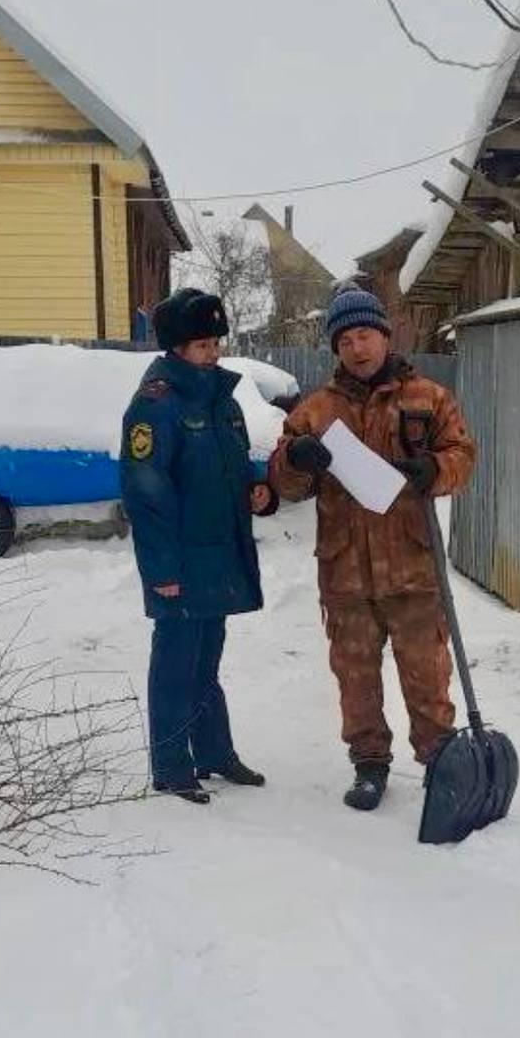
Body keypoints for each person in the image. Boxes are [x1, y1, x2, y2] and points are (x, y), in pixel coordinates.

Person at [268, 282, 475, 811]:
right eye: (345, 341)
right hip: (345, 573)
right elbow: (281, 483)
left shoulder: (428, 399)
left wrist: (433, 468)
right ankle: (369, 766)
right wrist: (297, 460)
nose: (357, 349)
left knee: (427, 673)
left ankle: (439, 760)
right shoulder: (315, 411)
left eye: (365, 336)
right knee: (355, 677)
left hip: (411, 565)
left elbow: (463, 458)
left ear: (384, 336)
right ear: (335, 349)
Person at [121, 287, 277, 805]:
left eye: (215, 342)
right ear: (175, 349)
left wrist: (257, 487)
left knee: (206, 662)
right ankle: (171, 765)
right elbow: (146, 492)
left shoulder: (222, 402)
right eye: (201, 344)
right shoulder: (154, 407)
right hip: (181, 561)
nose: (212, 352)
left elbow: (233, 463)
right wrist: (160, 569)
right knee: (175, 665)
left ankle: (214, 754)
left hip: (218, 556)